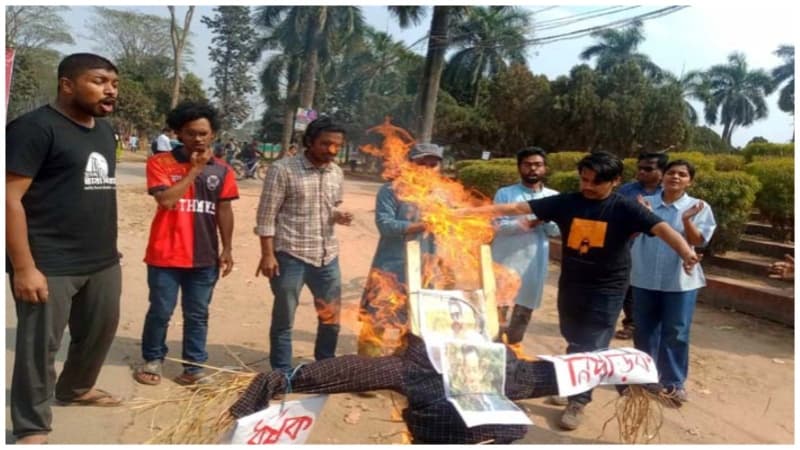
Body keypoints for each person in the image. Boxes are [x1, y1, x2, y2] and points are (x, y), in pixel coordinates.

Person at [456, 151, 699, 431]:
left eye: (595, 182)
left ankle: (579, 400)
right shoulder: (567, 202)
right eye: (584, 180)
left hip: (607, 287)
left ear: (615, 181)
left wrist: (685, 253)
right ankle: (572, 381)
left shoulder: (625, 207)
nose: (587, 187)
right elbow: (516, 210)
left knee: (593, 342)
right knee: (573, 337)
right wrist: (466, 213)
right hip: (572, 283)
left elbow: (662, 227)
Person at [6, 52, 123, 445]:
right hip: (49, 261)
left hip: (102, 259)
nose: (110, 90)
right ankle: (31, 425)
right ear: (67, 84)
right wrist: (23, 267)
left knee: (98, 333)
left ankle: (76, 389)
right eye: (99, 81)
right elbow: (9, 198)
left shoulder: (105, 131)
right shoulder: (33, 129)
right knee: (39, 347)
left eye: (114, 83)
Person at [133, 101, 239, 386]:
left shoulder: (223, 170)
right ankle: (153, 359)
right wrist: (193, 171)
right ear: (179, 133)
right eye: (191, 133)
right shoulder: (160, 163)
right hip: (164, 255)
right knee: (160, 311)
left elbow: (224, 210)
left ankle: (193, 367)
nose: (198, 139)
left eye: (204, 133)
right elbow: (166, 200)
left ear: (213, 134)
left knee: (198, 314)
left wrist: (227, 248)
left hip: (204, 257)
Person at [254, 117, 353, 373]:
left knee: (330, 319)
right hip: (290, 256)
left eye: (337, 146)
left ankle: (325, 367)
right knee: (284, 319)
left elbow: (328, 207)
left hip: (327, 257)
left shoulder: (336, 172)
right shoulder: (282, 170)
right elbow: (266, 217)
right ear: (309, 141)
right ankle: (282, 373)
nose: (332, 151)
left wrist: (337, 216)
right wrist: (267, 255)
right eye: (325, 144)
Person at [630, 160, 716, 406]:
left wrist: (687, 220)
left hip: (680, 281)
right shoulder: (644, 204)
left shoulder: (698, 207)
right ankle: (646, 378)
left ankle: (674, 383)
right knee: (644, 331)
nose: (675, 177)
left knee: (676, 332)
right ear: (662, 177)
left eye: (682, 174)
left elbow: (698, 241)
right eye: (671, 173)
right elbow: (632, 234)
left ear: (690, 181)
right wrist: (643, 216)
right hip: (644, 276)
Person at [357, 143, 441, 357]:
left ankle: (403, 368)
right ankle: (367, 370)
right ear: (411, 165)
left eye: (434, 165)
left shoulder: (441, 194)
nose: (429, 169)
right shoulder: (391, 190)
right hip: (391, 266)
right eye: (423, 164)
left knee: (415, 321)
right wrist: (421, 225)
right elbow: (385, 225)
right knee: (376, 318)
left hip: (425, 267)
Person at [490, 147, 559, 352]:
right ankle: (493, 350)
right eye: (528, 164)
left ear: (545, 168)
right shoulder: (505, 194)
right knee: (497, 308)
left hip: (533, 262)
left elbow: (555, 230)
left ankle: (513, 350)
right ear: (519, 167)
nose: (532, 169)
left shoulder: (554, 196)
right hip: (505, 259)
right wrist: (531, 221)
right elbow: (497, 225)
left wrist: (546, 221)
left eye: (537, 165)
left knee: (524, 309)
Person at [614, 151, 668, 340]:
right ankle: (631, 323)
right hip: (628, 246)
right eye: (640, 167)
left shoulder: (668, 194)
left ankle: (655, 324)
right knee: (628, 287)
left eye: (648, 168)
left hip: (658, 248)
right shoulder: (627, 191)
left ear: (662, 171)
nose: (642, 172)